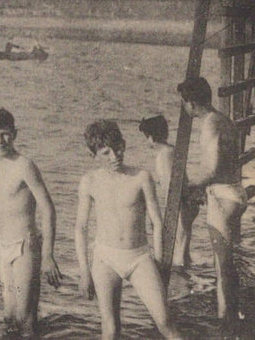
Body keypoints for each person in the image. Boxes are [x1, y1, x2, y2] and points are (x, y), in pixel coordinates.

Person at [75, 120, 183, 340]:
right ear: (93, 155)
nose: (115, 157)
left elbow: (157, 222)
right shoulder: (89, 182)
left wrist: (161, 263)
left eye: (118, 149)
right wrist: (84, 271)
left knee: (164, 321)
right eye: (106, 153)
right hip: (105, 258)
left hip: (139, 257)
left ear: (123, 144)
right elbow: (81, 228)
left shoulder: (141, 177)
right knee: (111, 328)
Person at [0, 107, 62, 337]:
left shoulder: (24, 165)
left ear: (15, 134)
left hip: (26, 246)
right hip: (4, 245)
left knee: (25, 319)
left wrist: (48, 255)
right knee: (9, 318)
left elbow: (48, 209)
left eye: (5, 134)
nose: (0, 140)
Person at [178, 76, 247, 325]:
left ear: (192, 102)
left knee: (221, 265)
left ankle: (225, 321)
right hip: (235, 192)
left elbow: (212, 169)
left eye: (184, 102)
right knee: (226, 262)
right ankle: (232, 312)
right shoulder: (225, 120)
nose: (184, 108)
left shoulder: (209, 124)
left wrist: (186, 185)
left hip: (222, 197)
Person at [138, 114, 199, 269]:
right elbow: (172, 178)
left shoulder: (163, 156)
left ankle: (182, 285)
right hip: (186, 203)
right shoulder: (171, 150)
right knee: (183, 248)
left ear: (150, 137)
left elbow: (171, 185)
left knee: (179, 252)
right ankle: (188, 281)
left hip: (179, 204)